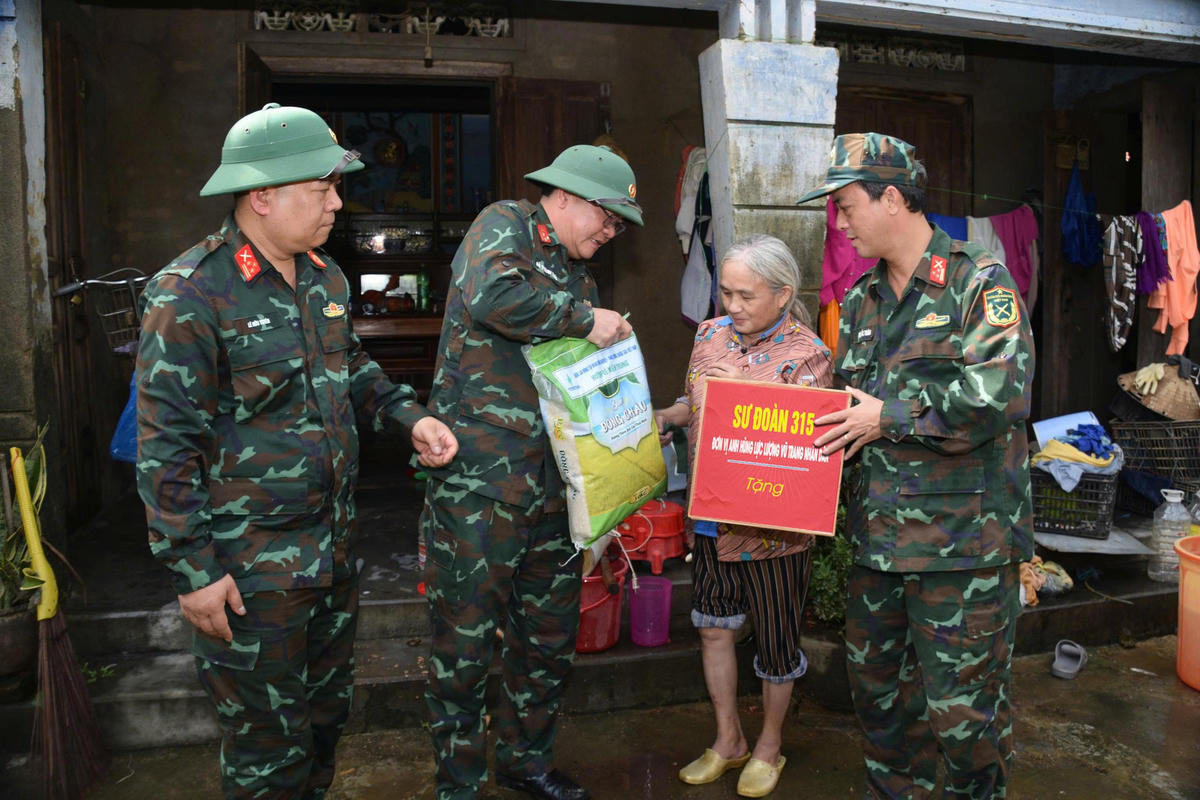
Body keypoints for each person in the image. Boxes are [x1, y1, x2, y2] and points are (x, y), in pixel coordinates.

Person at [135, 103, 458, 799]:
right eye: (322, 190)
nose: (338, 204)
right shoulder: (190, 295)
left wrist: (410, 418)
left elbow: (354, 372)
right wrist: (194, 572)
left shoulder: (324, 279)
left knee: (322, 724)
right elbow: (164, 448)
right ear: (262, 196)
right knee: (265, 752)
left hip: (332, 554)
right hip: (250, 575)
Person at [803, 133, 1035, 799]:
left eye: (846, 206)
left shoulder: (978, 283)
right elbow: (847, 410)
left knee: (964, 721)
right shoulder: (860, 303)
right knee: (879, 704)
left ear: (893, 198)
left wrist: (889, 417)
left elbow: (998, 397)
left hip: (964, 549)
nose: (838, 222)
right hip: (879, 546)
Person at [420, 144, 642, 800]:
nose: (611, 233)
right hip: (480, 487)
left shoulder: (581, 275)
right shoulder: (504, 225)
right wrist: (586, 321)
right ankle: (458, 784)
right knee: (463, 647)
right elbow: (493, 297)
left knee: (546, 641)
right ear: (567, 195)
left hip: (554, 489)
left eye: (620, 227)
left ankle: (526, 761)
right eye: (608, 218)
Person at [654, 234, 833, 798]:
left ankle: (769, 746)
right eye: (726, 292)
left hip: (771, 530)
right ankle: (728, 739)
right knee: (712, 629)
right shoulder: (708, 336)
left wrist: (746, 393)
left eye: (745, 295)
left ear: (783, 295)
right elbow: (693, 401)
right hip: (710, 513)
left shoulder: (808, 354)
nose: (730, 306)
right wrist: (671, 413)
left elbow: (809, 441)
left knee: (776, 644)